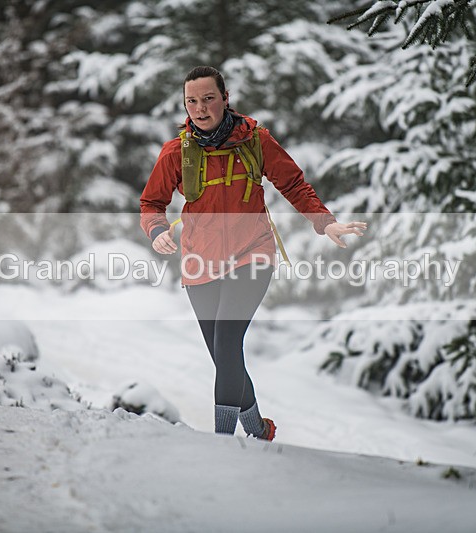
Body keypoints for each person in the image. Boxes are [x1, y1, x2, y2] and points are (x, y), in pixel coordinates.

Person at [140, 66, 366, 440]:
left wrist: (324, 222)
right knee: (223, 357)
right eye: (191, 101)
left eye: (208, 98)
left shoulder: (256, 141)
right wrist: (158, 230)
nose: (200, 108)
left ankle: (222, 444)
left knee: (227, 343)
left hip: (252, 254)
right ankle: (258, 430)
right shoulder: (176, 152)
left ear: (225, 99)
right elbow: (151, 202)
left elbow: (292, 183)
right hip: (200, 262)